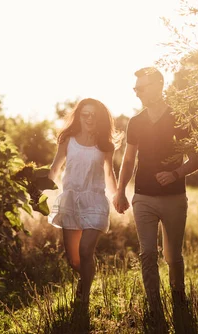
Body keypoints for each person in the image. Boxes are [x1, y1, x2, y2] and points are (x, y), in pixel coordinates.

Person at [113, 67, 198, 328]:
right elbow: (128, 160)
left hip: (174, 197)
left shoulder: (180, 117)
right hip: (143, 197)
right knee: (148, 253)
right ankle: (154, 308)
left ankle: (179, 302)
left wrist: (175, 174)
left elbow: (196, 160)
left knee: (172, 256)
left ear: (158, 86)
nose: (137, 92)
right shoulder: (136, 122)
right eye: (135, 88)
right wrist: (120, 191)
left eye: (141, 87)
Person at [48, 98, 119, 312]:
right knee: (75, 260)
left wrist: (117, 196)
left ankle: (83, 298)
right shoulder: (68, 140)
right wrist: (38, 191)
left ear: (100, 118)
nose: (89, 118)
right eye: (85, 114)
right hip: (71, 200)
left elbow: (109, 173)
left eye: (93, 115)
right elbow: (55, 169)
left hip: (95, 200)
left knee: (86, 250)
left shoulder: (106, 145)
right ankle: (84, 281)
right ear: (78, 116)